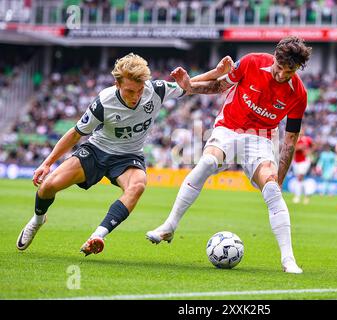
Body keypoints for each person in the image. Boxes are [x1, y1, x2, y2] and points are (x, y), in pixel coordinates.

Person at [16, 53, 233, 256]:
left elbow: (188, 84)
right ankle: (37, 220)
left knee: (138, 185)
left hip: (129, 157)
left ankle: (97, 236)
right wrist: (47, 163)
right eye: (130, 91)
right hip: (97, 150)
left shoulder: (154, 90)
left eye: (139, 90)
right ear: (117, 84)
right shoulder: (104, 102)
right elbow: (75, 134)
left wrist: (215, 72)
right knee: (48, 187)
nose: (135, 96)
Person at [146, 36, 312, 274]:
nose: (281, 75)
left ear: (297, 69)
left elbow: (290, 139)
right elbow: (219, 85)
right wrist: (190, 87)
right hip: (229, 128)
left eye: (289, 72)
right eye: (279, 68)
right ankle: (169, 226)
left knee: (273, 189)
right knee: (207, 162)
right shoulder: (251, 62)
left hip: (261, 138)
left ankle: (288, 260)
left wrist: (279, 179)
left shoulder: (299, 94)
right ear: (274, 57)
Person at [292, 133, 313, 204]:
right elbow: (293, 148)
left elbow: (312, 145)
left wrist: (309, 152)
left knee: (299, 178)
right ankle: (307, 195)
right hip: (296, 161)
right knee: (300, 180)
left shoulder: (306, 139)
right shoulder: (294, 139)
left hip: (304, 161)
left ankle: (297, 196)